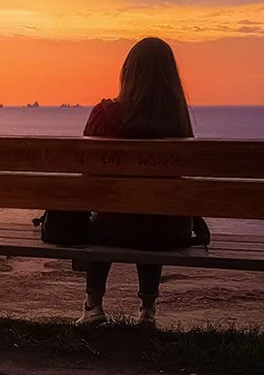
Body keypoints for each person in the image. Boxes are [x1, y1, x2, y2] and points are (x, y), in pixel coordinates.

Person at [77, 37, 202, 327]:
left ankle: (93, 305)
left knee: (106, 214)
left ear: (127, 72)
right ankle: (148, 310)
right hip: (171, 232)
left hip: (114, 229)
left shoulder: (106, 115)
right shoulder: (178, 120)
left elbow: (88, 180)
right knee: (154, 211)